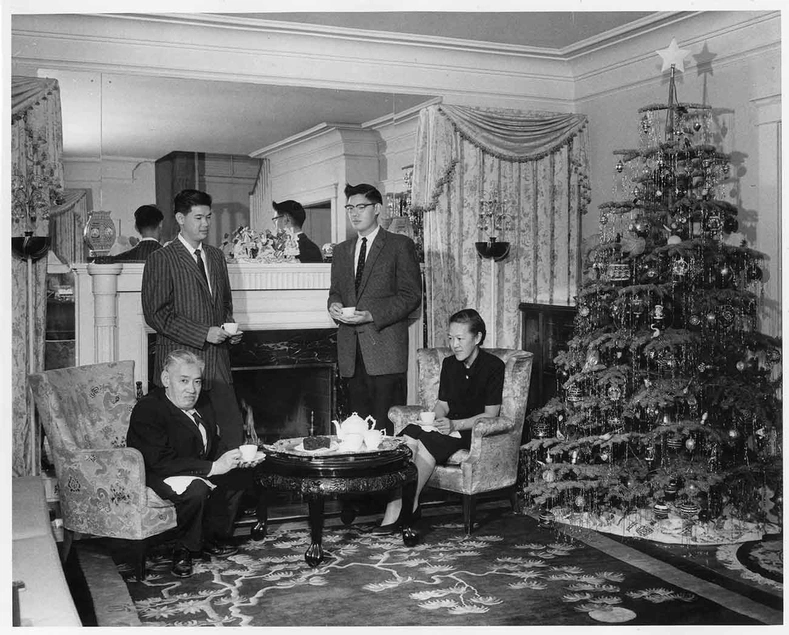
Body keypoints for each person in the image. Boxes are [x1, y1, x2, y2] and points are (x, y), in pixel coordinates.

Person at [127, 350, 260, 577]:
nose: (192, 389)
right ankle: (183, 550)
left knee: (240, 476)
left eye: (197, 382)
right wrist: (213, 468)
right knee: (196, 489)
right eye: (184, 381)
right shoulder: (149, 409)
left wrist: (236, 458)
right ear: (166, 380)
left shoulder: (203, 403)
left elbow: (212, 443)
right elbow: (160, 462)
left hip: (194, 466)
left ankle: (211, 536)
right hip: (159, 473)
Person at [373, 309, 505, 533]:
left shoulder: (493, 367)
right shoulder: (449, 364)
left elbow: (491, 415)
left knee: (427, 442)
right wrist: (431, 418)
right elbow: (443, 404)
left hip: (470, 431)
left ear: (478, 338)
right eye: (451, 338)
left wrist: (454, 425)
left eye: (460, 339)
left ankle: (408, 505)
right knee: (409, 435)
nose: (454, 345)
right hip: (448, 425)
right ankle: (397, 505)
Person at [142, 189, 245, 447]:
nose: (206, 224)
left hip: (217, 364)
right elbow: (156, 314)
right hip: (181, 367)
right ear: (180, 218)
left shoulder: (216, 256)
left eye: (208, 217)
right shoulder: (161, 258)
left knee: (233, 436)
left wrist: (229, 330)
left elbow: (224, 305)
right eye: (199, 218)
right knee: (187, 443)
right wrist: (203, 333)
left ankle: (227, 488)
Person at [327, 183, 422, 436]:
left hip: (385, 354)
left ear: (377, 208)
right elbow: (335, 290)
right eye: (350, 208)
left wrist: (372, 315)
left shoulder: (399, 245)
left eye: (361, 207)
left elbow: (411, 295)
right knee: (355, 430)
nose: (354, 213)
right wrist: (333, 305)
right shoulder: (341, 251)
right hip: (350, 355)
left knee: (385, 431)